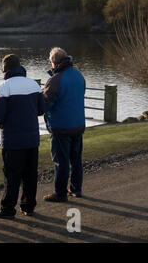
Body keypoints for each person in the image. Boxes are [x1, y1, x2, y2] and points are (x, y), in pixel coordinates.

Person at [0, 54, 45, 218]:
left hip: (12, 140)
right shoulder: (34, 85)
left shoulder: (4, 87)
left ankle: (8, 209)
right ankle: (28, 206)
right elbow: (41, 110)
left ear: (5, 69)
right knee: (30, 174)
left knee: (12, 175)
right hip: (32, 138)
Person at [42, 47, 86, 202]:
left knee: (60, 162)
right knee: (76, 159)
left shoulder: (55, 79)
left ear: (53, 62)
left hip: (61, 126)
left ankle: (59, 193)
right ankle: (76, 189)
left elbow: (45, 104)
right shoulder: (78, 75)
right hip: (78, 124)